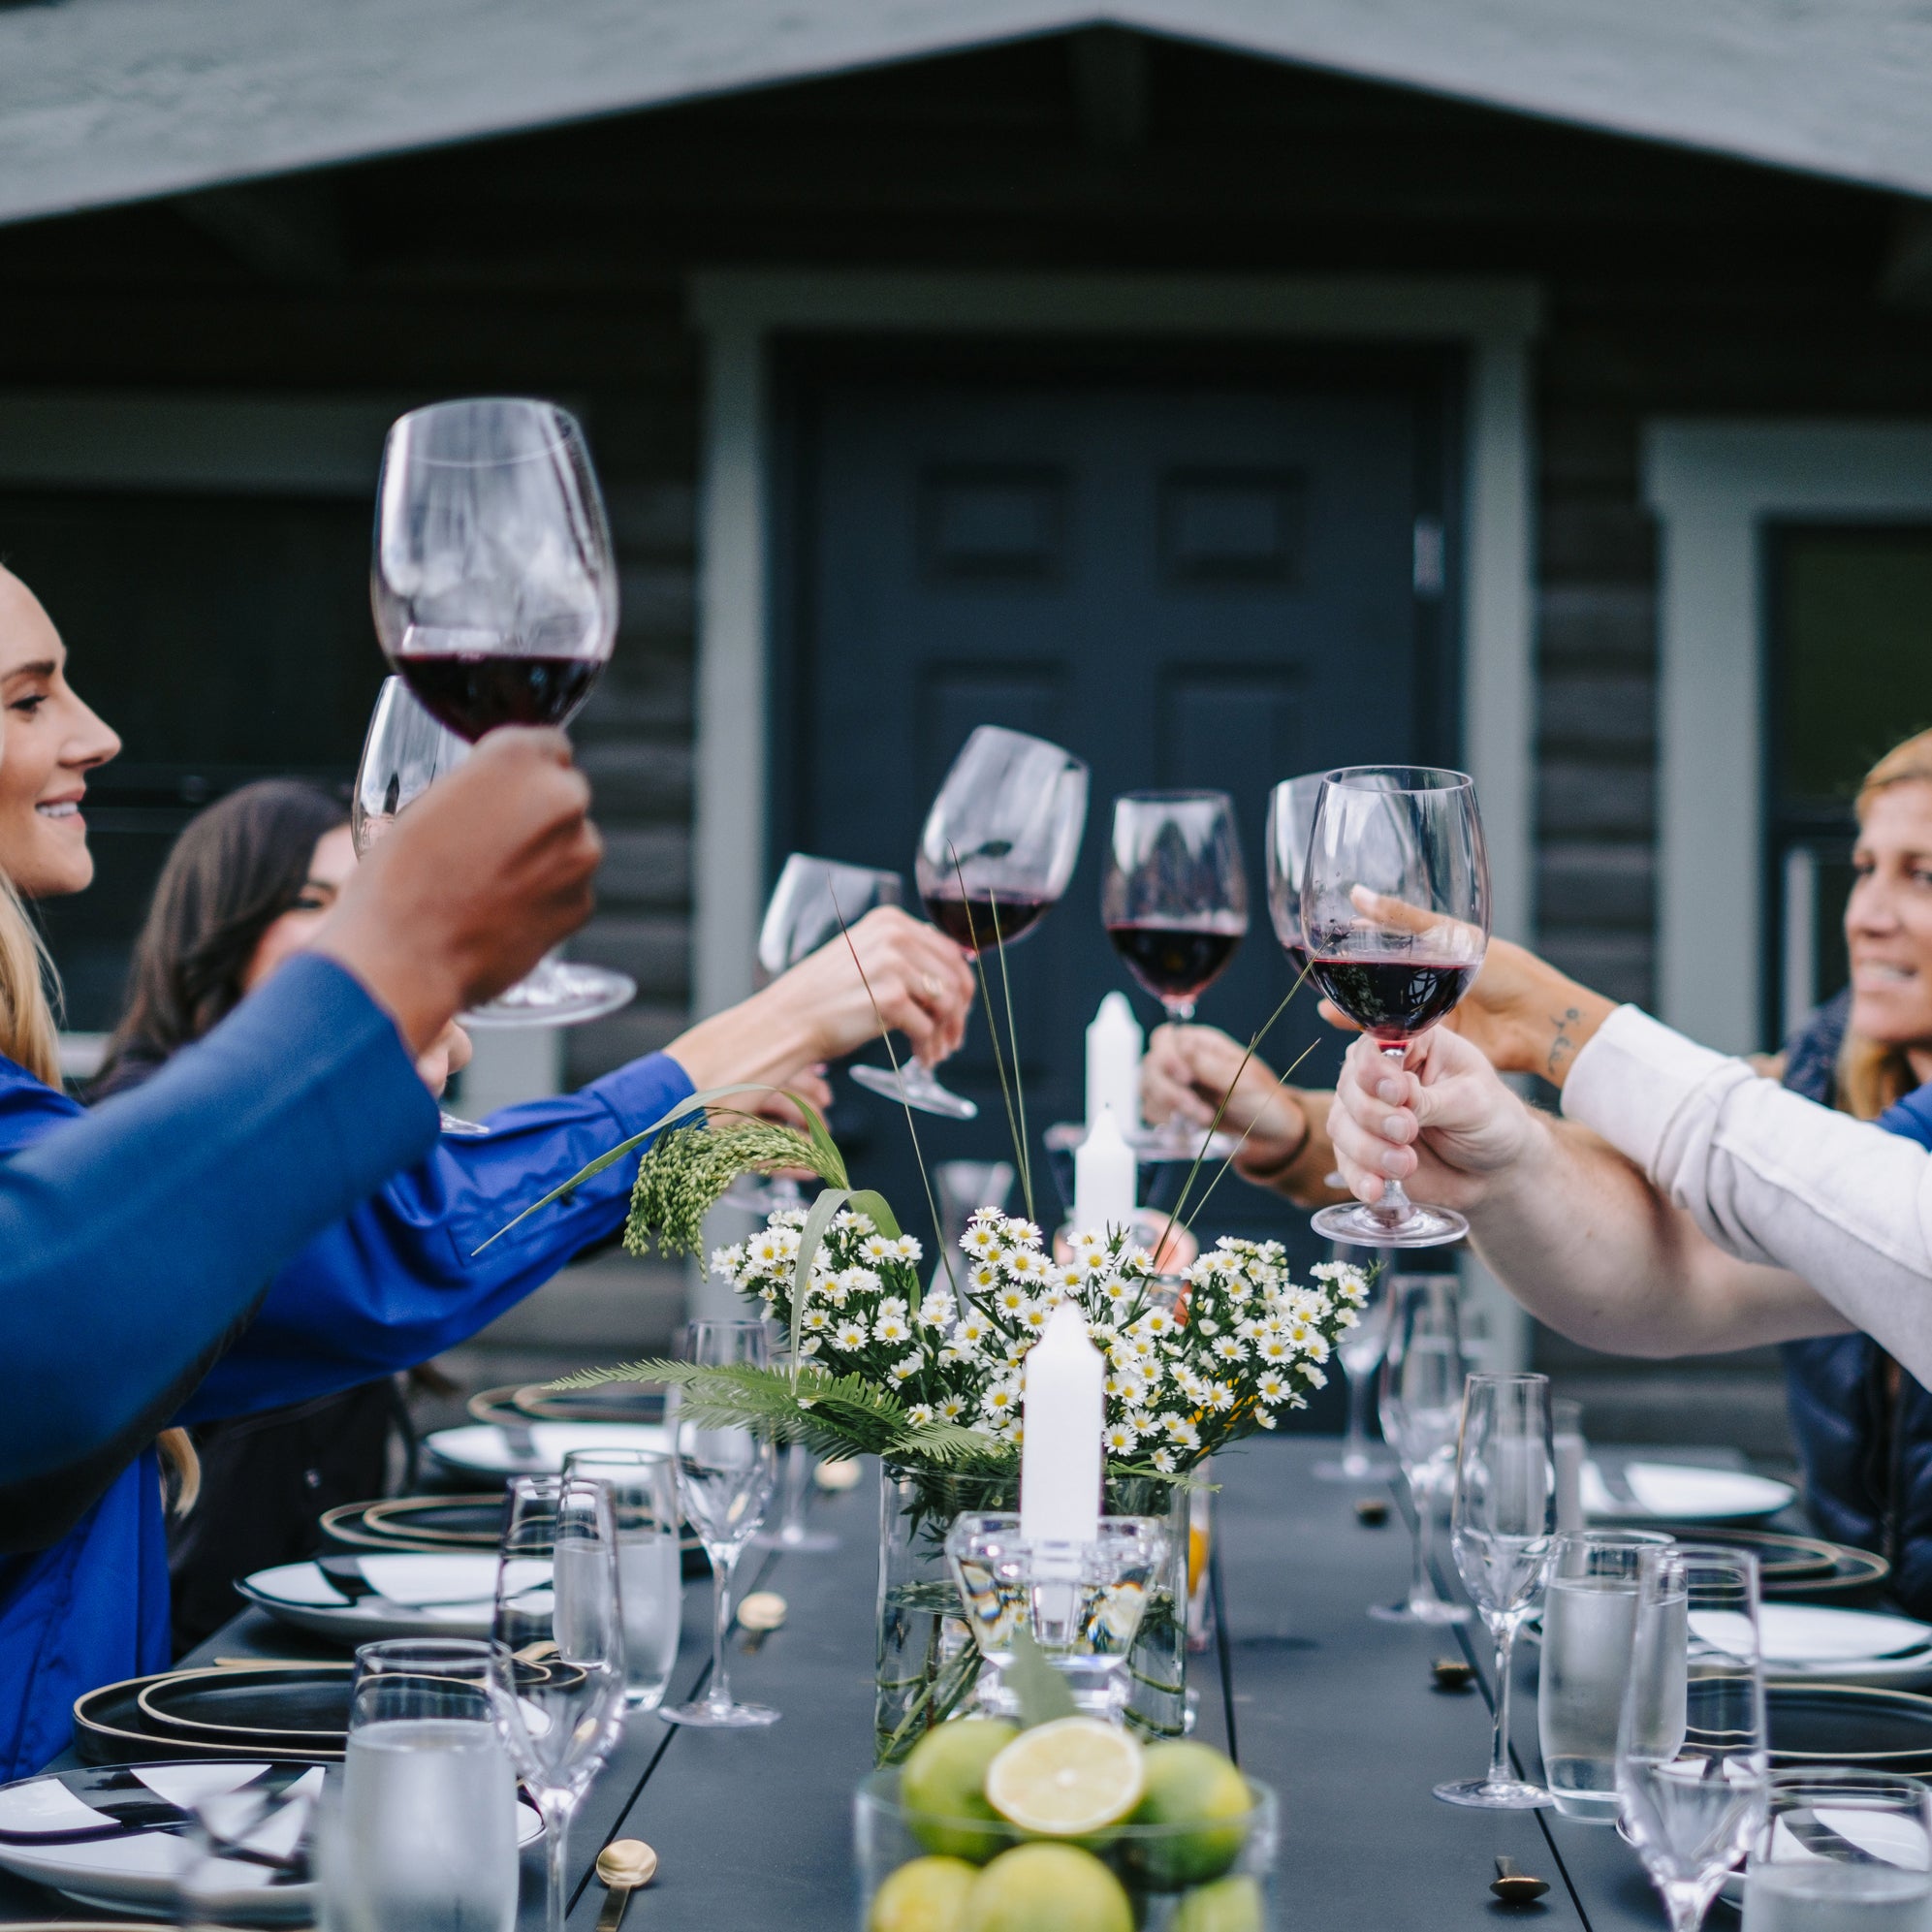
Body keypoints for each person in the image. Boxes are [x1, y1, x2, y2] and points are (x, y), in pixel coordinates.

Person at [0, 560, 977, 1770]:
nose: (96, 733)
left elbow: (379, 1256)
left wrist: (682, 1112)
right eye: (26, 700)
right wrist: (392, 992)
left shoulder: (46, 1118)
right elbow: (88, 1312)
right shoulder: (105, 1149)